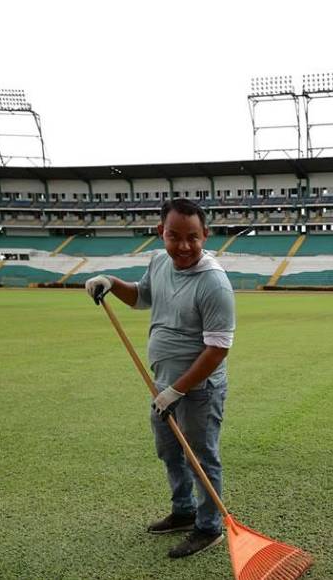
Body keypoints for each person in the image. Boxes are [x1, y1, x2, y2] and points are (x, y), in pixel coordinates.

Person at [85, 199, 235, 559]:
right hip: (162, 385)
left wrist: (176, 390)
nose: (183, 246)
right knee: (170, 452)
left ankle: (209, 526)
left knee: (201, 457)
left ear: (206, 236)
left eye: (192, 238)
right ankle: (183, 511)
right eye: (174, 236)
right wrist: (110, 282)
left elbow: (217, 350)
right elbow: (141, 297)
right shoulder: (159, 262)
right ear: (161, 233)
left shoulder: (214, 284)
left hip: (198, 390)